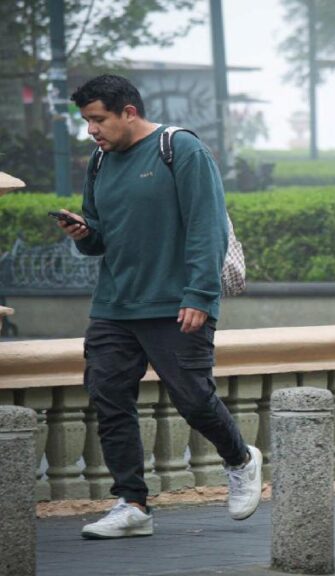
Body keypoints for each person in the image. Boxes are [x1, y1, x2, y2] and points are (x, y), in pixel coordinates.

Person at [56, 75, 263, 539]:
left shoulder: (180, 149)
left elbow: (207, 225)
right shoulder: (100, 161)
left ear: (129, 112)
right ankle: (132, 504)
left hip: (176, 303)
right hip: (114, 304)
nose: (91, 130)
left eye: (98, 119)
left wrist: (200, 296)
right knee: (108, 397)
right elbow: (101, 237)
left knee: (194, 399)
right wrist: (84, 233)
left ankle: (240, 459)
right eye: (87, 121)